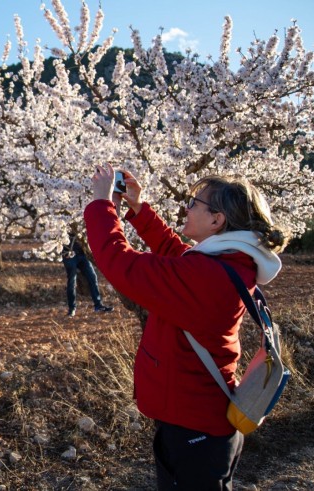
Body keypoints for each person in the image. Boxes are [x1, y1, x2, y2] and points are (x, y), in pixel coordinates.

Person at [83, 164, 287, 490]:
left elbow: (119, 263)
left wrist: (101, 205)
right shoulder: (228, 263)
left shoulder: (207, 277)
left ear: (217, 220)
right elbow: (177, 256)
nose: (186, 207)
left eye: (194, 203)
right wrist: (137, 207)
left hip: (194, 431)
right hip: (204, 421)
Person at [61, 231, 113, 317]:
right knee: (72, 281)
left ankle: (98, 305)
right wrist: (63, 252)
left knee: (92, 277)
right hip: (68, 254)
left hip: (82, 254)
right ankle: (72, 309)